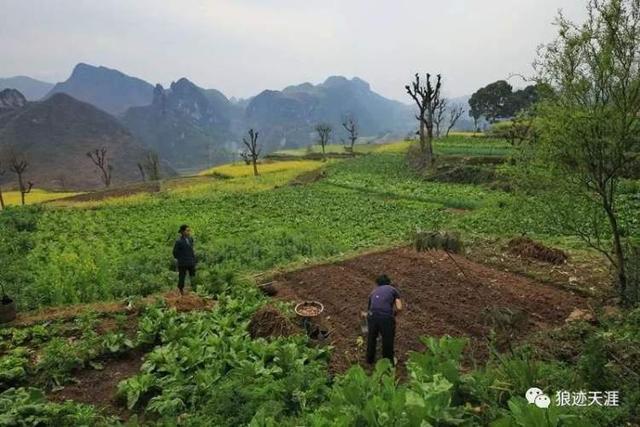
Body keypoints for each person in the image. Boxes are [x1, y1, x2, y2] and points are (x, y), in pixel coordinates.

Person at [366, 274, 402, 365]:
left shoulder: (373, 292)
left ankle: (369, 360)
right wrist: (394, 314)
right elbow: (399, 307)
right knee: (387, 339)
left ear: (377, 283)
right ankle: (388, 362)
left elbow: (369, 310)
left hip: (372, 316)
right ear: (389, 282)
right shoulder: (392, 289)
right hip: (386, 317)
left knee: (371, 338)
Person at [173, 224, 197, 295]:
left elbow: (191, 249)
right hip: (182, 262)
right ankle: (181, 290)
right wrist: (180, 258)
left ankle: (194, 289)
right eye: (187, 230)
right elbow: (175, 252)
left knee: (193, 276)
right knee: (182, 277)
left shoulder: (190, 239)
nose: (189, 232)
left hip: (191, 261)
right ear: (182, 232)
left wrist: (193, 258)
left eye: (189, 230)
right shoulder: (179, 241)